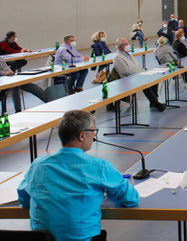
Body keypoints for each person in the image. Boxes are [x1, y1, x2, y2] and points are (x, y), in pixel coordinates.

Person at [18, 110, 139, 241]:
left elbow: (24, 200)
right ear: (82, 135)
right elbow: (130, 198)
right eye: (93, 131)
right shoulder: (98, 166)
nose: (94, 136)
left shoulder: (37, 166)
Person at [113, 38, 166, 111]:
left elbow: (137, 66)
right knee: (145, 84)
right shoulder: (117, 57)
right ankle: (156, 104)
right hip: (128, 79)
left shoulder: (129, 54)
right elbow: (127, 71)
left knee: (154, 79)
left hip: (138, 74)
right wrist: (141, 74)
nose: (128, 45)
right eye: (125, 44)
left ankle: (154, 101)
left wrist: (144, 72)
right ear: (120, 46)